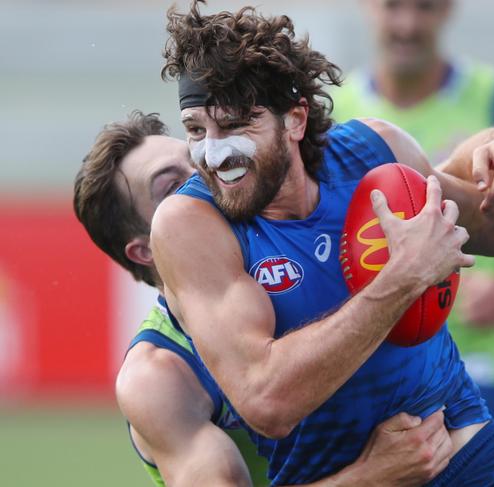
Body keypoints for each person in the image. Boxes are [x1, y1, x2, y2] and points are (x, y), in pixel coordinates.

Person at [152, 3, 494, 486]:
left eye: (237, 125)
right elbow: (266, 401)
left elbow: (492, 224)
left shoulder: (374, 150)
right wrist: (402, 279)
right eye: (197, 130)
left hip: (465, 453)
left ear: (295, 120)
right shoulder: (190, 223)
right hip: (338, 475)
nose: (213, 155)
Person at [73, 111, 454, 487]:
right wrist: (370, 478)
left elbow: (449, 187)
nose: (208, 176)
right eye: (172, 187)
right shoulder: (159, 378)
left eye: (197, 160)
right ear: (144, 251)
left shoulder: (296, 253)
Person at [332, 0, 494, 426]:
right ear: (368, 8)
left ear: (448, 11)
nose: (407, 25)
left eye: (425, 8)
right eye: (393, 7)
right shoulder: (334, 111)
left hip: (472, 369)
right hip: (365, 368)